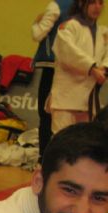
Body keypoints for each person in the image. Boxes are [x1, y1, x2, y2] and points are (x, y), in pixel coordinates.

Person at [48, 0, 108, 134]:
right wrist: (92, 68)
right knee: (62, 141)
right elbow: (67, 51)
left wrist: (104, 68)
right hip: (66, 99)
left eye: (100, 3)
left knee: (85, 142)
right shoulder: (69, 27)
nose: (97, 7)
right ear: (81, 3)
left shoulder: (102, 32)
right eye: (92, 2)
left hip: (88, 100)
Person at [31, 0, 74, 156]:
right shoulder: (82, 8)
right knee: (68, 115)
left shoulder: (56, 6)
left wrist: (36, 23)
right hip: (74, 68)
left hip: (52, 65)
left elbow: (37, 34)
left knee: (46, 113)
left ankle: (44, 156)